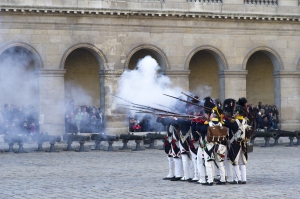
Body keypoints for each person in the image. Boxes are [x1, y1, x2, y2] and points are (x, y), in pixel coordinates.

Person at [223, 97, 251, 185]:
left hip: (235, 143)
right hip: (243, 144)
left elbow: (224, 123)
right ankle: (244, 179)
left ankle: (237, 179)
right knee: (242, 162)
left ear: (237, 113)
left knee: (235, 162)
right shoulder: (245, 121)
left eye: (235, 112)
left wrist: (223, 117)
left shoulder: (234, 122)